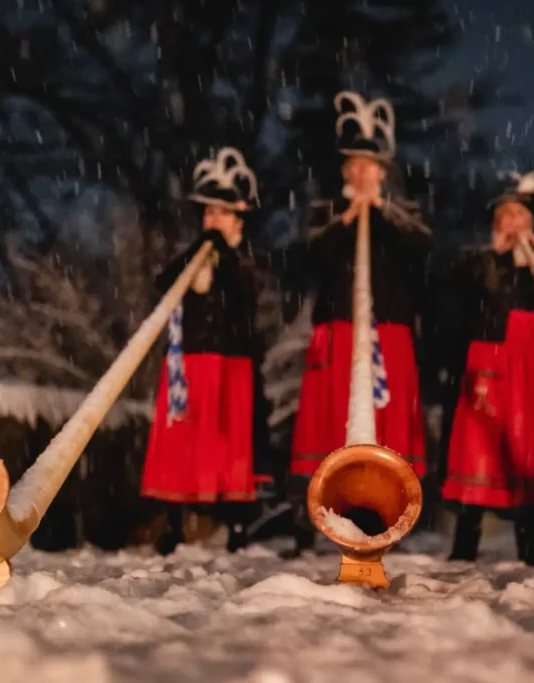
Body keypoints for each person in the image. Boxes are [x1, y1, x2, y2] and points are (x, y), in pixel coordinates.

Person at [284, 91, 432, 557]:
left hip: (387, 330)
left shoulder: (401, 213)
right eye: (354, 165)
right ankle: (311, 522)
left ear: (382, 171)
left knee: (386, 424)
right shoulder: (328, 212)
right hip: (339, 329)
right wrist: (347, 218)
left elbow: (421, 248)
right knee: (326, 422)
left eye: (370, 166)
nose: (361, 173)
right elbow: (308, 256)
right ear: (346, 170)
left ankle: (388, 513)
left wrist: (381, 211)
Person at [437, 170, 534, 565]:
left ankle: (530, 548)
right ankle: (464, 547)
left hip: (531, 365)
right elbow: (451, 287)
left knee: (527, 447)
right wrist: (497, 256)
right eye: (505, 216)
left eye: (519, 215)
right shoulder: (480, 261)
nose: (513, 222)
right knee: (477, 449)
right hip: (488, 360)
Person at [141, 147, 273, 555]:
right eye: (208, 212)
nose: (213, 220)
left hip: (231, 364)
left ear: (238, 218)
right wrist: (200, 249)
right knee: (181, 442)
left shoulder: (244, 260)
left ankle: (237, 526)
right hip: (188, 362)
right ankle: (173, 523)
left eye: (222, 213)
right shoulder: (193, 255)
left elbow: (246, 290)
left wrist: (222, 251)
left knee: (230, 445)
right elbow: (163, 284)